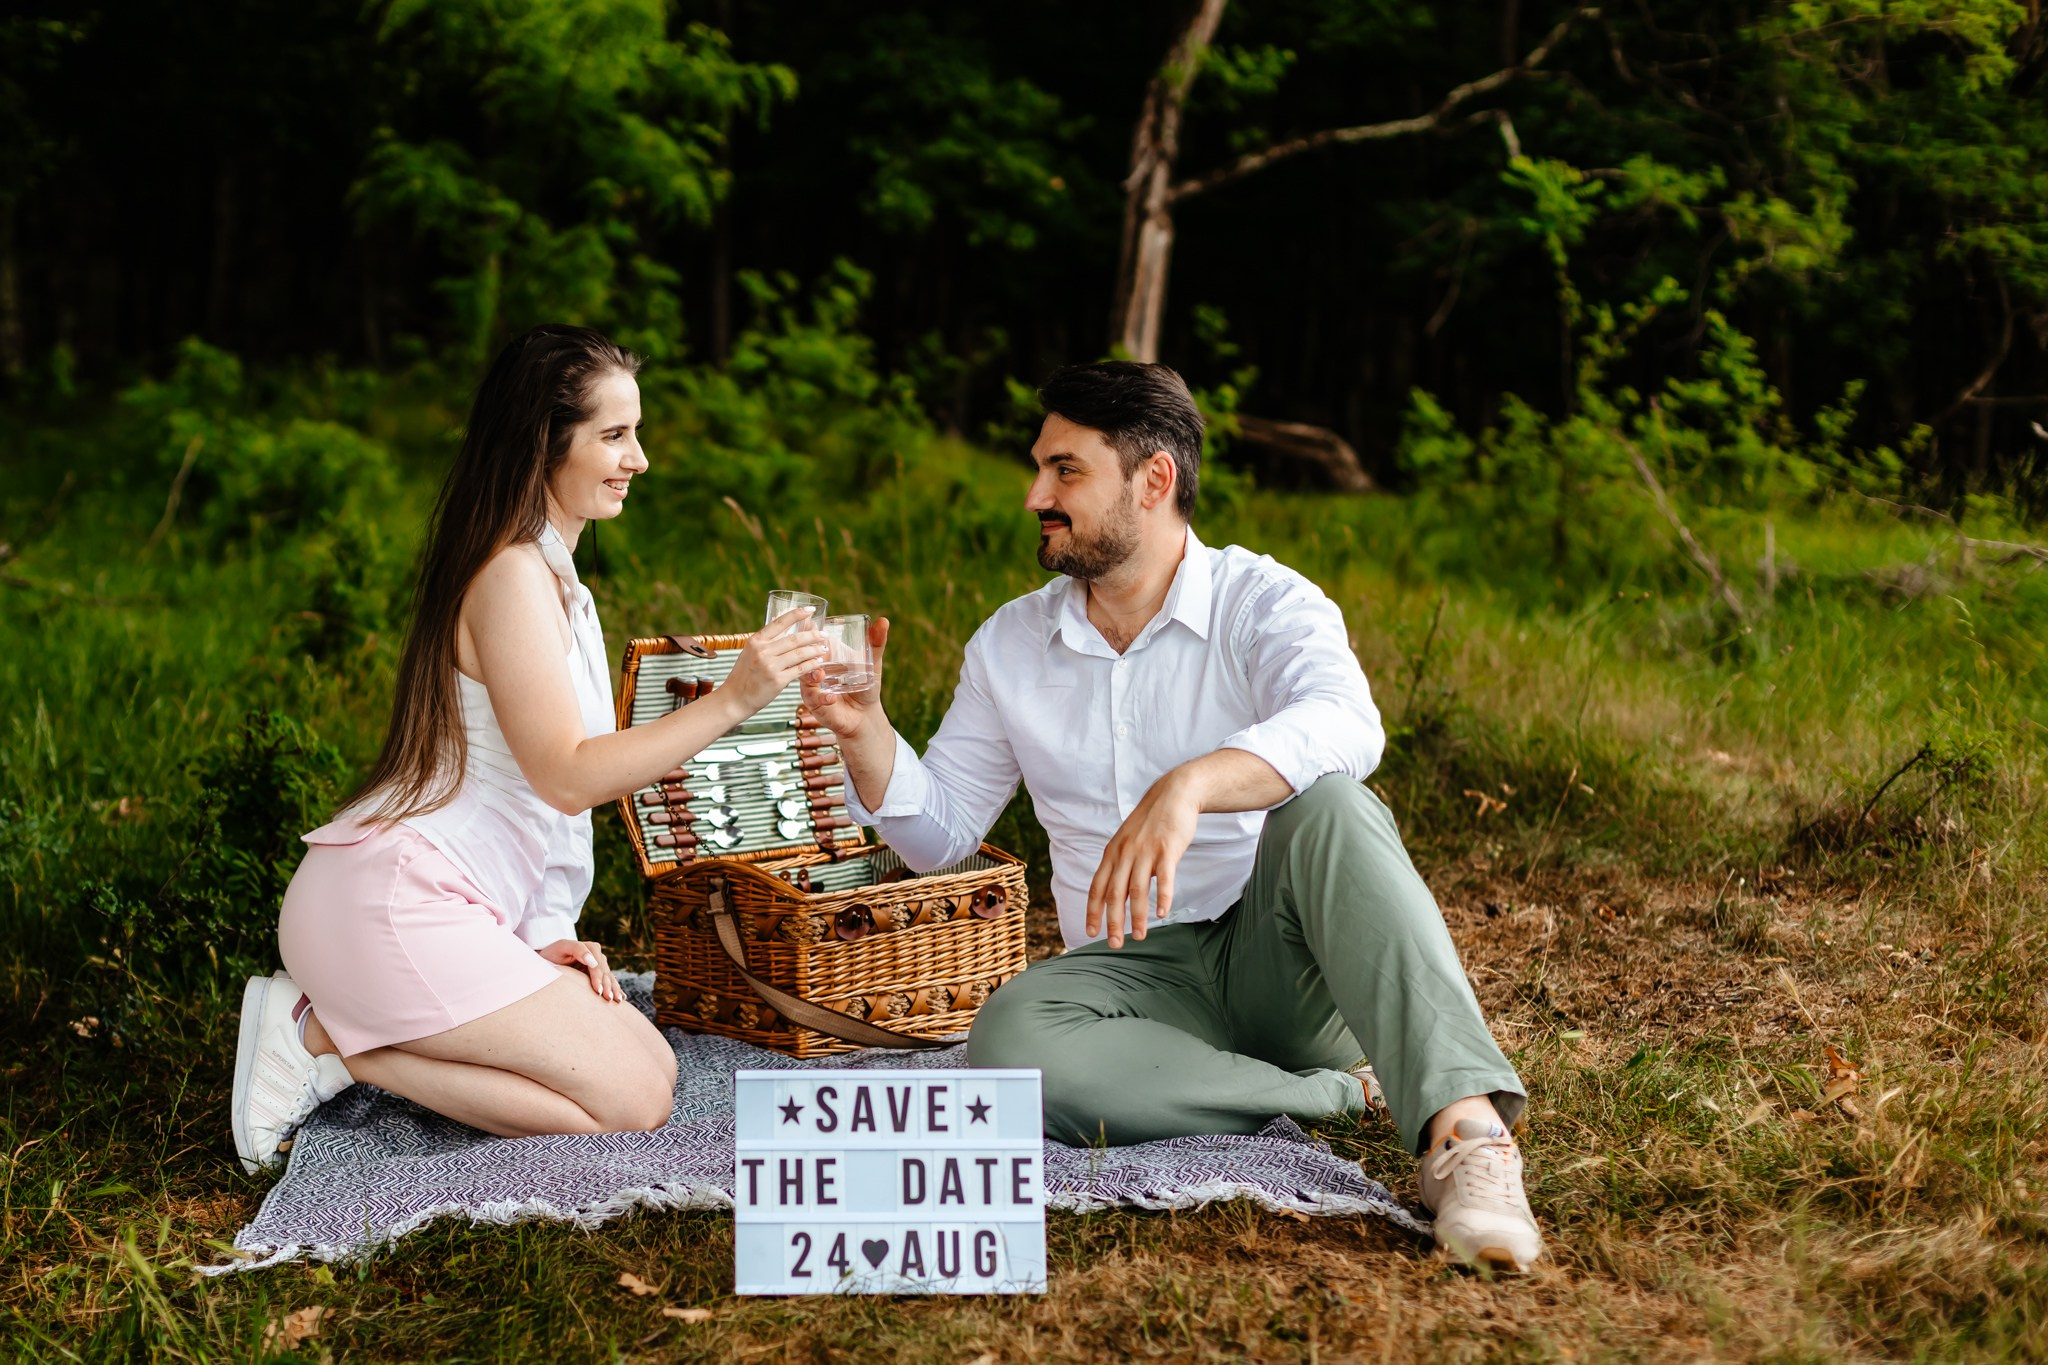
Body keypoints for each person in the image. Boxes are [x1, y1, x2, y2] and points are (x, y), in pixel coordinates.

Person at [802, 361, 1542, 1272]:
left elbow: (1349, 723)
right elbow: (941, 835)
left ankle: (1468, 1140)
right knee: (1006, 1041)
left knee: (1334, 804)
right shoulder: (1009, 644)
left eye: (1065, 470)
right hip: (1126, 986)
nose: (1036, 495)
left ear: (1153, 479)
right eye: (1038, 467)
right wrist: (867, 734)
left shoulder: (1262, 600)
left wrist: (1190, 783)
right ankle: (1331, 1096)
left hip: (1281, 960)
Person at [229, 325, 829, 1173]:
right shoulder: (509, 574)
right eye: (614, 435)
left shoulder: (556, 583)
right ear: (544, 442)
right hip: (385, 908)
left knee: (652, 1063)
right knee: (633, 1100)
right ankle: (325, 1040)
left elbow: (541, 798)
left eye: (635, 432)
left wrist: (543, 930)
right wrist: (733, 699)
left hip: (445, 903)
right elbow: (567, 775)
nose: (639, 459)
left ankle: (346, 1028)